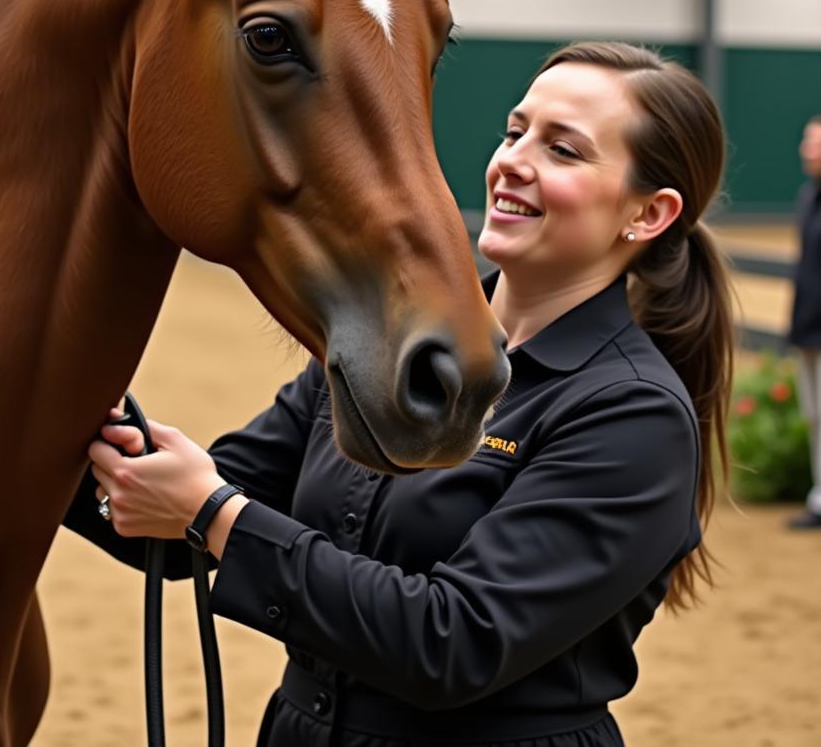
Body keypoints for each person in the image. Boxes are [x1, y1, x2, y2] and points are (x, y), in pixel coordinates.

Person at [63, 41, 733, 747]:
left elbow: (453, 643)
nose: (512, 160)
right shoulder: (388, 339)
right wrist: (53, 446)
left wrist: (215, 514)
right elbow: (177, 533)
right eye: (515, 131)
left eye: (563, 151)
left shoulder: (635, 417)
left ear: (649, 214)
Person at [787, 115, 821, 529]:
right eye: (807, 140)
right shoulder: (807, 197)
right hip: (807, 326)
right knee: (814, 416)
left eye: (815, 141)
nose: (807, 149)